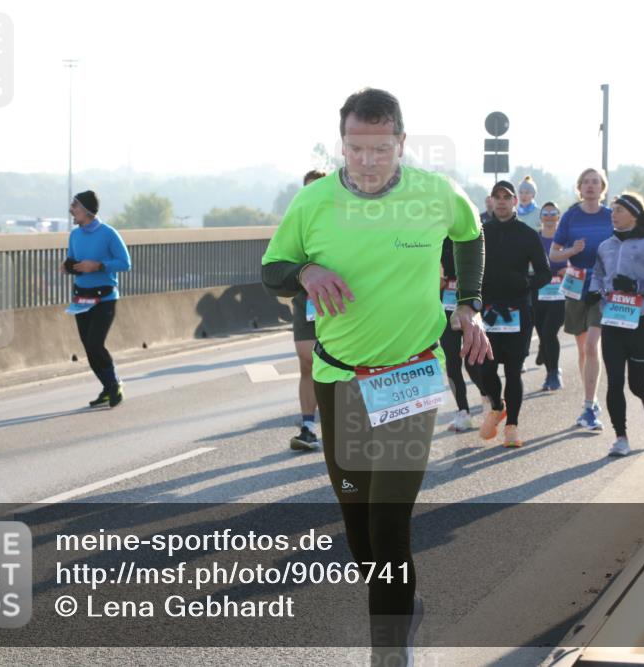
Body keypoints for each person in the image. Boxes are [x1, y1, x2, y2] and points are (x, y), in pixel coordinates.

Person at [260, 88, 491, 666]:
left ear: (401, 143)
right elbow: (271, 269)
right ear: (342, 143)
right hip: (339, 379)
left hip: (410, 375)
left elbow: (469, 235)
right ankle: (401, 603)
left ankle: (387, 650)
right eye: (355, 148)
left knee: (389, 520)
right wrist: (306, 270)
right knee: (358, 522)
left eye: (380, 148)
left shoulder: (435, 194)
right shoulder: (313, 202)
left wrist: (469, 302)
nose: (367, 160)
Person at [589, 193, 644, 457]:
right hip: (613, 320)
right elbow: (598, 275)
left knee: (636, 384)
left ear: (634, 215)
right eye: (612, 209)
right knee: (614, 382)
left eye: (620, 210)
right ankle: (621, 438)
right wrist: (595, 291)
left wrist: (636, 287)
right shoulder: (605, 246)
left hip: (642, 322)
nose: (613, 214)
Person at [477, 180, 552, 447]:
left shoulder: (527, 234)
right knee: (484, 369)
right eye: (496, 197)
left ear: (514, 202)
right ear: (491, 201)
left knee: (512, 371)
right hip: (487, 311)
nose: (501, 201)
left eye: (506, 197)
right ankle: (497, 405)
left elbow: (545, 273)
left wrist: (527, 283)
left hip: (518, 310)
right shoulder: (480, 232)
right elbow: (467, 268)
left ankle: (512, 427)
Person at [550, 167, 614, 431]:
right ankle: (593, 398)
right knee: (582, 350)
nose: (590, 186)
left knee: (591, 346)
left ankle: (588, 408)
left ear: (602, 188)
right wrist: (571, 251)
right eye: (586, 182)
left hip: (601, 289)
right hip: (576, 287)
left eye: (595, 182)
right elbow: (554, 255)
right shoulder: (570, 216)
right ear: (579, 187)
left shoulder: (611, 216)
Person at [61, 190, 132, 408]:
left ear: (87, 210)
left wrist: (99, 265)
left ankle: (114, 384)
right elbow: (74, 261)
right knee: (88, 348)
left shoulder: (109, 233)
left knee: (95, 343)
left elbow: (125, 263)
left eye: (75, 205)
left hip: (105, 298)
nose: (71, 209)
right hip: (81, 298)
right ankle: (107, 386)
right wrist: (68, 267)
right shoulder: (75, 235)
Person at [288, 169, 327, 451]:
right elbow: (280, 263)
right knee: (307, 362)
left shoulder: (342, 222)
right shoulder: (295, 224)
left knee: (344, 366)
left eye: (317, 188)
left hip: (340, 302)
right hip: (306, 302)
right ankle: (308, 426)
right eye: (307, 189)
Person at [440, 236, 488, 431]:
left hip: (470, 304)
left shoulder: (473, 233)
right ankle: (463, 412)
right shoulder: (435, 235)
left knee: (473, 359)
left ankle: (489, 398)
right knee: (452, 360)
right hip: (446, 303)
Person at [533, 202, 567, 390]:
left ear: (558, 216)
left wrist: (566, 269)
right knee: (543, 333)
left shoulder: (564, 240)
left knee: (549, 332)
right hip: (538, 293)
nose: (548, 216)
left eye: (552, 212)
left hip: (559, 294)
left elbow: (575, 264)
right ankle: (543, 349)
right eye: (545, 213)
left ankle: (552, 374)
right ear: (541, 217)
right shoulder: (535, 239)